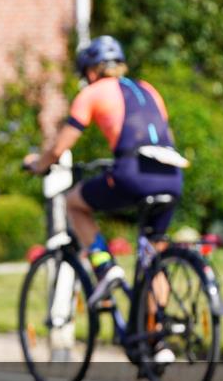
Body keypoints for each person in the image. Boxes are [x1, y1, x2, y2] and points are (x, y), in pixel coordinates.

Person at [23, 36, 184, 333]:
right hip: (173, 175)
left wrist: (38, 164)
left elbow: (60, 148)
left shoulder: (93, 92)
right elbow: (163, 135)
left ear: (91, 70)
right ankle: (156, 337)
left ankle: (104, 267)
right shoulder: (149, 90)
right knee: (154, 253)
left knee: (75, 202)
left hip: (134, 173)